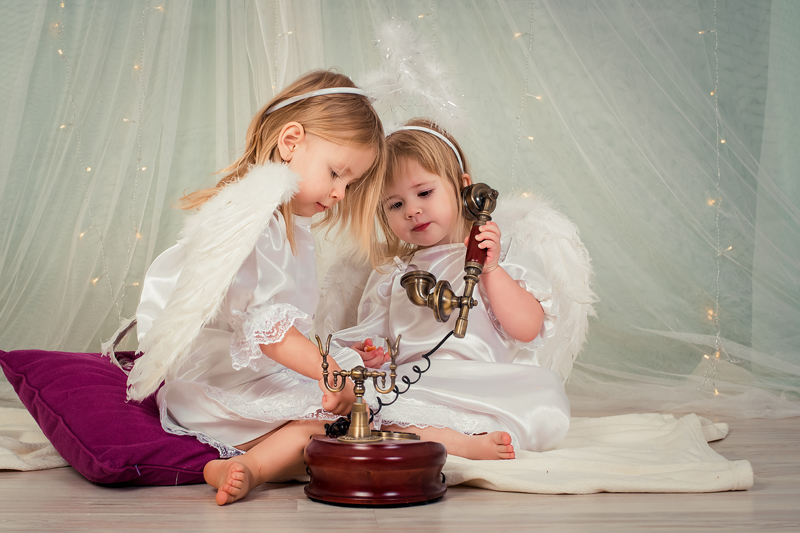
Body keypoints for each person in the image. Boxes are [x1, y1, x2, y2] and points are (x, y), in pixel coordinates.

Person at [122, 70, 385, 505]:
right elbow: (269, 331)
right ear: (291, 141)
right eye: (336, 173)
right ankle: (252, 466)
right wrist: (330, 372)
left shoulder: (286, 225)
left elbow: (284, 325)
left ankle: (240, 461)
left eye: (349, 183)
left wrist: (339, 359)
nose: (340, 192)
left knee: (353, 411)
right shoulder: (256, 221)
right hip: (218, 384)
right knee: (343, 424)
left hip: (249, 374)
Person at [327, 118, 570, 460]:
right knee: (363, 405)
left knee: (544, 396)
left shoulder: (502, 258)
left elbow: (528, 329)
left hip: (484, 384)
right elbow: (379, 340)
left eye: (424, 193)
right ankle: (459, 443)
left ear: (463, 186)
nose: (412, 210)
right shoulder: (394, 276)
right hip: (420, 384)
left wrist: (491, 270)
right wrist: (374, 353)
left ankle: (457, 434)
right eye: (395, 204)